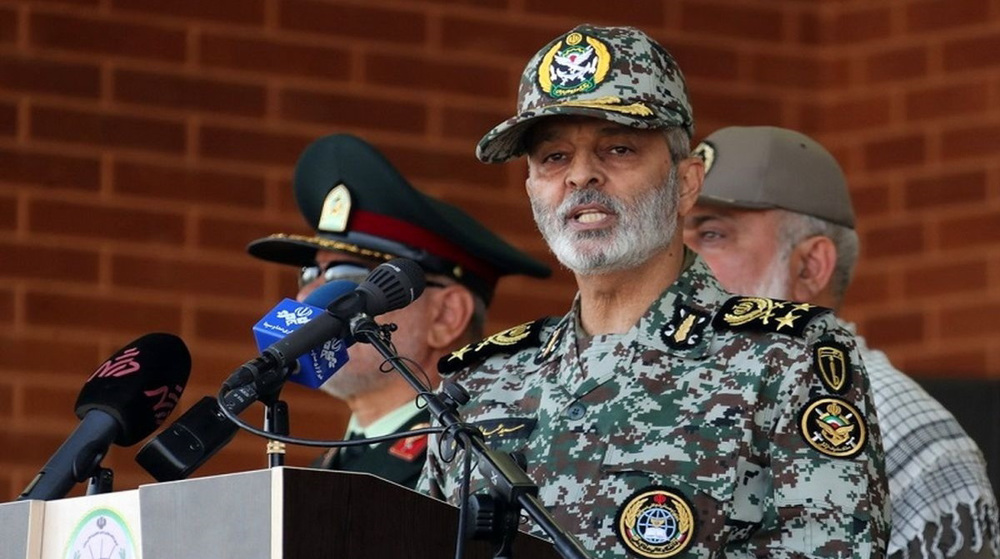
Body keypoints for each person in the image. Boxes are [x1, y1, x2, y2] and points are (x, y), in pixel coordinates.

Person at [420, 24, 889, 558]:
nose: (581, 177)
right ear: (531, 188)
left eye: (618, 148)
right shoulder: (479, 381)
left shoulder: (788, 355)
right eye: (554, 158)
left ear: (685, 183)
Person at [683, 125, 1000, 559]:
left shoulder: (905, 437)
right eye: (675, 236)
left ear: (811, 267)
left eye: (712, 234)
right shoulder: (663, 396)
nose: (679, 260)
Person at [247, 133, 551, 489]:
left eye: (345, 276)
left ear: (446, 315)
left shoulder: (477, 457)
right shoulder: (329, 466)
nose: (309, 294)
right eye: (310, 273)